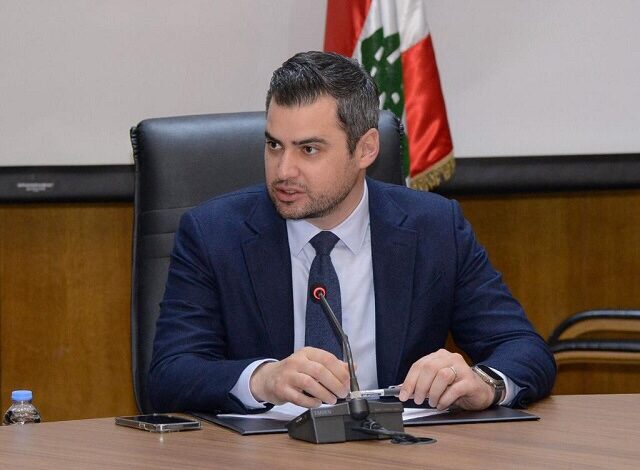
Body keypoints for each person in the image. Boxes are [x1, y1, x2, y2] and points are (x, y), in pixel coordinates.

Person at [149, 51, 556, 415]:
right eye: (274, 146)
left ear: (366, 149)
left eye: (309, 149)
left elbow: (524, 348)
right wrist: (263, 379)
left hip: (398, 453)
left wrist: (484, 383)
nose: (283, 170)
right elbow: (170, 374)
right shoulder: (213, 234)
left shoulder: (434, 228)